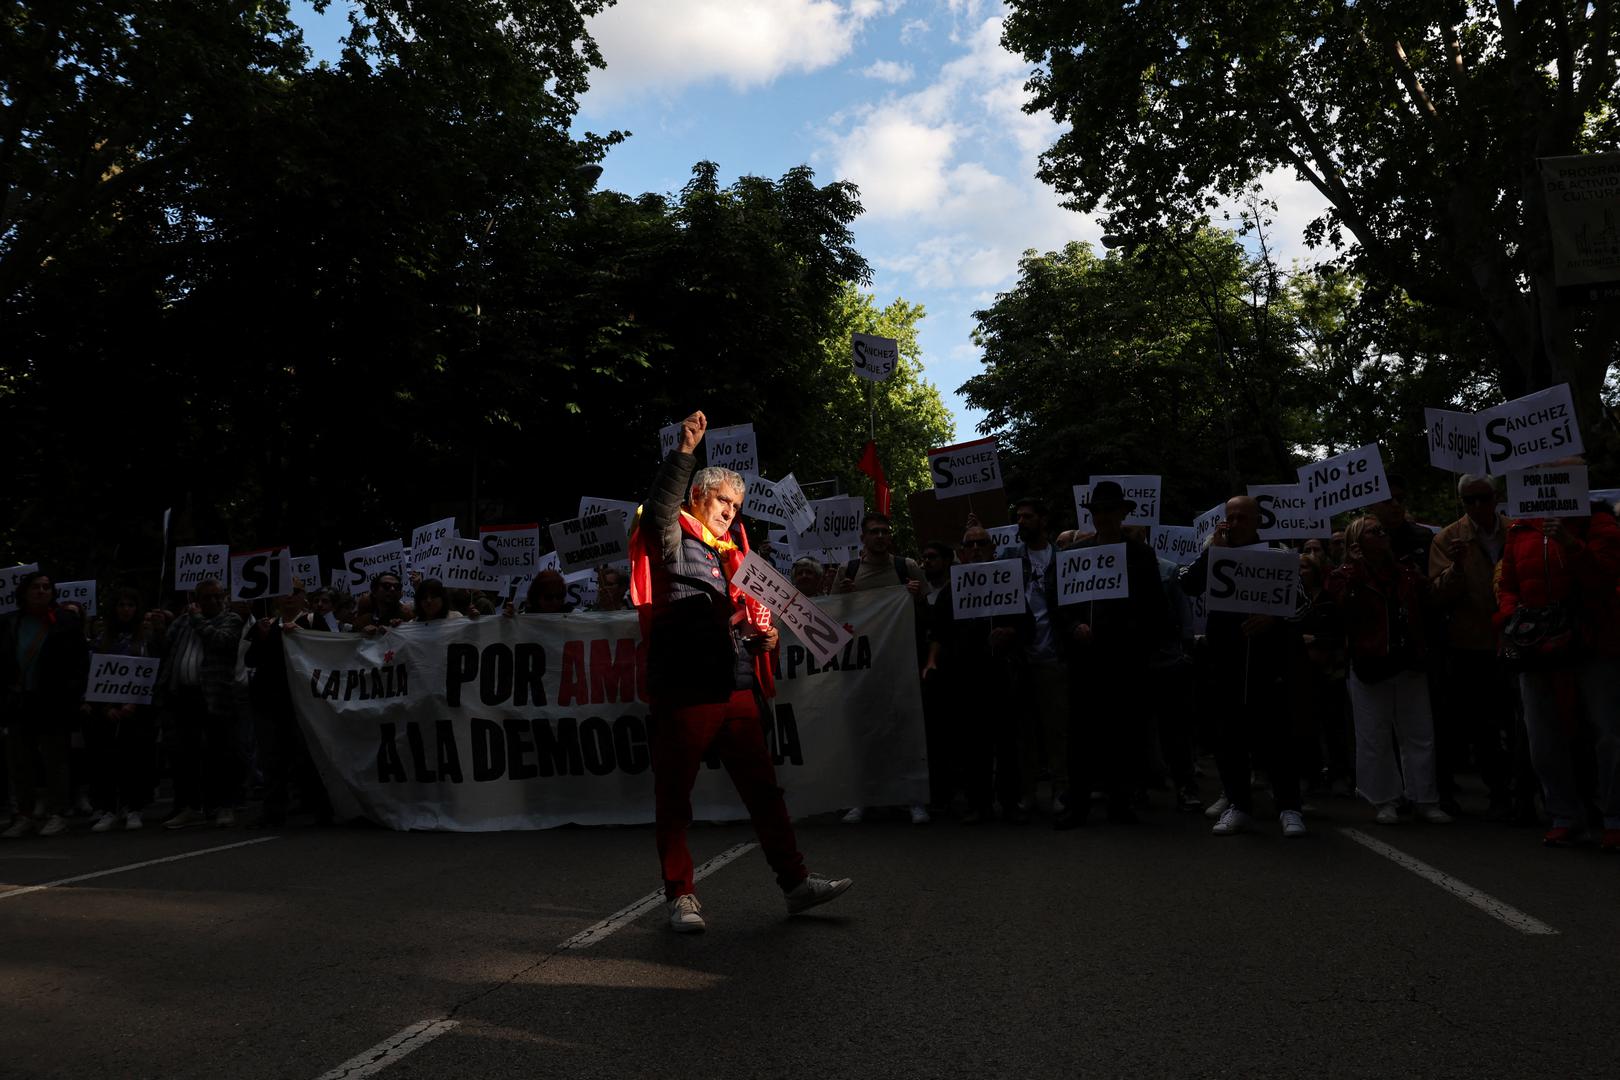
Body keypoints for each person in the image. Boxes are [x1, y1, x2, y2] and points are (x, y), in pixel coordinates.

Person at [630, 409, 849, 932]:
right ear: (697, 498)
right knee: (674, 797)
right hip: (685, 687)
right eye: (723, 501)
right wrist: (685, 452)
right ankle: (680, 896)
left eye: (737, 504)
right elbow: (661, 504)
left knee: (764, 791)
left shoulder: (737, 557)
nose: (731, 511)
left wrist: (763, 639)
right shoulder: (670, 537)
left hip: (736, 685)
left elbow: (746, 619)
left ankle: (795, 885)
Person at [1493, 492, 1620, 848]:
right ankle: (1564, 814)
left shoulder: (1599, 522)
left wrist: (1569, 542)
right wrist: (1514, 618)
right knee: (1542, 735)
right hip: (1538, 648)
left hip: (1592, 642)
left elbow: (1606, 576)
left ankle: (1614, 816)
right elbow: (1508, 585)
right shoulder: (1520, 530)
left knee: (1608, 732)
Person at [1179, 496, 1308, 838]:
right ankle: (1238, 804)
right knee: (1229, 735)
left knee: (1277, 736)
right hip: (1226, 659)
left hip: (1269, 661)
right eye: (1230, 517)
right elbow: (1188, 585)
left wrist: (1273, 616)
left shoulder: (1278, 552)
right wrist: (1213, 552)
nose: (1234, 523)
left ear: (1256, 521)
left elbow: (1300, 602)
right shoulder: (1215, 553)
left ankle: (1289, 806)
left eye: (1242, 518)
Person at [1322, 516, 1451, 826]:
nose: (1382, 534)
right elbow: (1343, 609)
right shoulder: (1342, 576)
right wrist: (1354, 573)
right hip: (1370, 663)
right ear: (1358, 541)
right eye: (1373, 531)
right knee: (1374, 735)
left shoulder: (1407, 572)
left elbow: (1432, 598)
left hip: (1408, 661)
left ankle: (1424, 798)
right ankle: (1385, 799)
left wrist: (1456, 570)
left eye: (1382, 529)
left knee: (1419, 733)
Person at [1055, 482, 1167, 828]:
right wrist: (1074, 627)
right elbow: (1057, 601)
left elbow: (1155, 608)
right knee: (1081, 734)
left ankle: (1121, 801)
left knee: (1124, 732)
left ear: (1122, 513)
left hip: (1124, 659)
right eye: (1097, 511)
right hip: (1085, 659)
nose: (1102, 516)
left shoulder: (1141, 555)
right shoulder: (1075, 554)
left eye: (1109, 510)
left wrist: (1135, 641)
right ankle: (1078, 805)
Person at [925, 522, 1025, 822]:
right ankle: (978, 803)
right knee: (973, 744)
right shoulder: (951, 591)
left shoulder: (1008, 580)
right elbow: (938, 633)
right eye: (970, 544)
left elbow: (1027, 625)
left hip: (1001, 674)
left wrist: (1009, 631)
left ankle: (1009, 803)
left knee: (1006, 743)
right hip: (965, 678)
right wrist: (931, 660)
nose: (976, 549)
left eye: (982, 543)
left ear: (993, 547)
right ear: (962, 552)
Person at [1429, 474, 1515, 818]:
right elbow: (1435, 595)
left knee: (1512, 721)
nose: (1477, 506)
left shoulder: (1517, 529)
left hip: (1514, 639)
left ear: (1496, 497)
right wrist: (1457, 568)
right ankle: (1470, 790)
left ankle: (1512, 792)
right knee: (1473, 722)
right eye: (1469, 500)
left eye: (1483, 498)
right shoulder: (1448, 538)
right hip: (1470, 644)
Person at [836, 512, 930, 824]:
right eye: (874, 532)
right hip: (862, 668)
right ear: (862, 537)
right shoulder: (847, 571)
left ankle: (912, 799)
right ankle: (863, 799)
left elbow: (927, 615)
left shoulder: (907, 568)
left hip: (900, 665)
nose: (880, 536)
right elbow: (833, 621)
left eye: (885, 532)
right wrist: (844, 599)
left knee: (905, 734)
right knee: (864, 737)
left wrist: (916, 598)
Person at [0, 572, 90, 838]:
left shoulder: (64, 621)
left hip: (52, 701)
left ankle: (57, 813)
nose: (41, 591)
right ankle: (24, 814)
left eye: (46, 587)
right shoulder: (10, 623)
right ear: (24, 592)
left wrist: (71, 696)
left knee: (54, 760)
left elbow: (78, 663)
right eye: (36, 587)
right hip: (19, 701)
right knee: (20, 761)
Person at [999, 496, 1070, 819]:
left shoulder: (1064, 559)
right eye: (1018, 517)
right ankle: (1028, 792)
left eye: (1027, 516)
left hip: (1053, 655)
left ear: (1043, 519)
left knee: (1057, 729)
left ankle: (1061, 790)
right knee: (1024, 731)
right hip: (1021, 658)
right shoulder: (1010, 558)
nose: (1021, 522)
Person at [156, 578, 246, 829]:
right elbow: (164, 645)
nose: (213, 601)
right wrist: (159, 627)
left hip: (214, 696)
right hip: (182, 696)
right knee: (184, 755)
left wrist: (196, 619)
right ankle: (190, 806)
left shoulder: (230, 620)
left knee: (220, 753)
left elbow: (221, 640)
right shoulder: (183, 621)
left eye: (217, 596)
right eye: (207, 597)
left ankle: (223, 805)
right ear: (196, 599)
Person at [83, 588, 159, 832]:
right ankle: (108, 808)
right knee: (106, 760)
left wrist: (132, 703)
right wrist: (105, 707)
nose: (125, 609)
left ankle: (133, 807)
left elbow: (149, 673)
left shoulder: (145, 638)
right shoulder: (102, 640)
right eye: (121, 604)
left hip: (136, 711)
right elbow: (95, 674)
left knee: (134, 759)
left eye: (130, 605)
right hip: (106, 711)